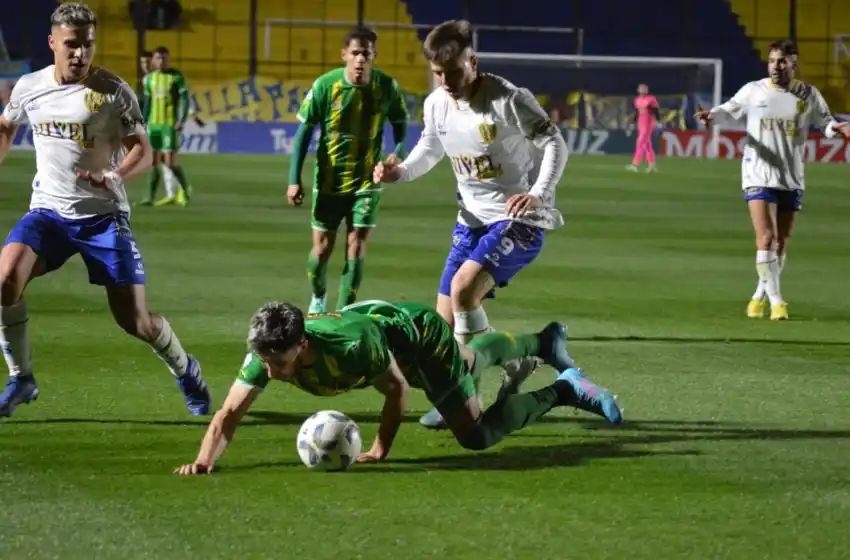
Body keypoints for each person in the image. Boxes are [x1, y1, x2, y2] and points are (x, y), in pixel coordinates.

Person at [0, 3, 210, 417]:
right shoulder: (29, 87)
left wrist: (114, 178)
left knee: (136, 322)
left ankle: (186, 369)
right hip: (48, 212)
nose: (80, 54)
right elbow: (6, 125)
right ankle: (21, 378)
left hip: (103, 217)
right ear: (53, 44)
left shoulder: (113, 91)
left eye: (88, 45)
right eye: (72, 45)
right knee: (5, 279)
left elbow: (143, 151)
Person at [372, 20, 569, 429]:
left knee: (463, 291)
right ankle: (511, 366)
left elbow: (554, 142)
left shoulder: (507, 98)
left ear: (472, 62)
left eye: (452, 70)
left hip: (518, 219)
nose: (445, 80)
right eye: (437, 72)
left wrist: (536, 192)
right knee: (440, 331)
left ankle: (468, 399)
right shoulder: (436, 104)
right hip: (471, 222)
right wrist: (400, 172)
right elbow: (431, 147)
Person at [174, 300, 622, 475]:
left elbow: (397, 391)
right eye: (265, 362)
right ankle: (542, 342)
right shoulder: (265, 351)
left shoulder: (353, 349)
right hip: (384, 329)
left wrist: (379, 448)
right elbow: (229, 414)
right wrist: (203, 461)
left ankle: (564, 390)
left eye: (280, 363)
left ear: (303, 345)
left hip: (419, 339)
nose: (270, 372)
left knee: (476, 434)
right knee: (467, 363)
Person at [695, 39, 850, 320]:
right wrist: (711, 117)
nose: (776, 66)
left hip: (791, 175)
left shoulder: (808, 94)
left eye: (782, 61)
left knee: (780, 244)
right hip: (758, 172)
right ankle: (778, 301)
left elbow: (824, 122)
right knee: (766, 238)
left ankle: (758, 295)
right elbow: (728, 110)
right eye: (772, 61)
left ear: (794, 63)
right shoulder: (754, 91)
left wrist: (835, 128)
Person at [287, 26, 409, 315]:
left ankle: (343, 312)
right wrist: (294, 180)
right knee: (321, 249)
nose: (360, 59)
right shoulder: (326, 86)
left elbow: (402, 130)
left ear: (374, 56)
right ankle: (318, 296)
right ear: (344, 55)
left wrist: (396, 155)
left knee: (356, 245)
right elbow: (303, 133)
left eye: (366, 54)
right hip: (328, 181)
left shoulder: (386, 87)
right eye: (355, 53)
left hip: (367, 182)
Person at [139, 46, 193, 207]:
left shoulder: (176, 77)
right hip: (153, 126)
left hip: (168, 125)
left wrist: (181, 120)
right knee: (154, 163)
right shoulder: (150, 80)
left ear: (168, 60)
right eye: (158, 58)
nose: (161, 61)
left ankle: (185, 190)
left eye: (164, 58)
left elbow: (185, 100)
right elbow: (148, 104)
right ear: (154, 61)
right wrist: (142, 121)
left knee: (169, 163)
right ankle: (150, 197)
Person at [626, 83, 659, 172]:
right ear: (638, 90)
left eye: (645, 88)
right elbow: (637, 112)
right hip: (641, 121)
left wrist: (658, 121)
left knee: (640, 141)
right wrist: (633, 123)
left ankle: (635, 164)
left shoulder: (651, 99)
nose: (643, 90)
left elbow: (655, 111)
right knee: (647, 143)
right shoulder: (637, 100)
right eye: (641, 88)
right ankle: (652, 165)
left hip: (648, 121)